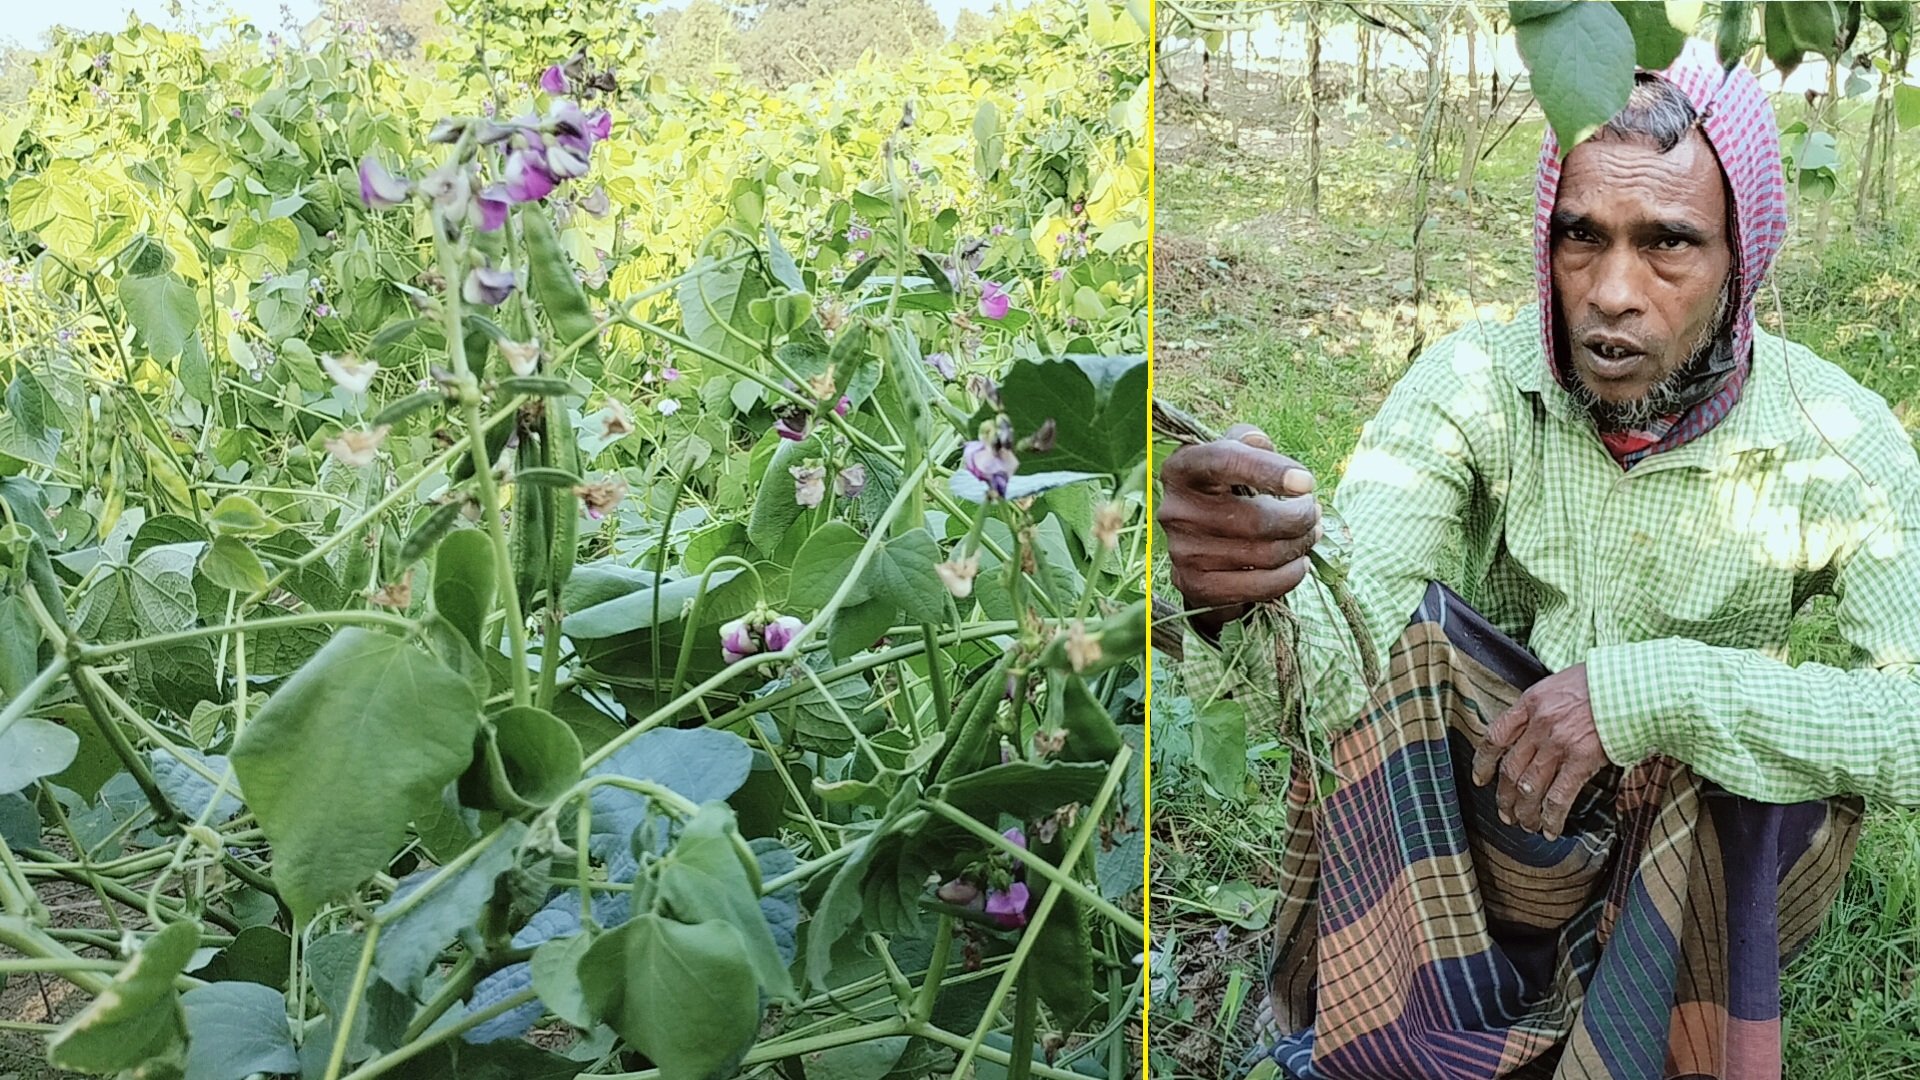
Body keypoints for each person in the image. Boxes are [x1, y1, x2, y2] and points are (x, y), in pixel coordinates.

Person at [1157, 40, 1920, 1080]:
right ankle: (1411, 1030)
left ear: (1742, 260)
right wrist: (1243, 592)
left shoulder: (1838, 435)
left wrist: (1651, 691)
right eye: (1581, 238)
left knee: (1754, 773)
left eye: (1668, 245)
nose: (1612, 290)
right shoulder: (1473, 383)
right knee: (1403, 643)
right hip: (1512, 805)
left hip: (1693, 863)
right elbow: (1347, 652)